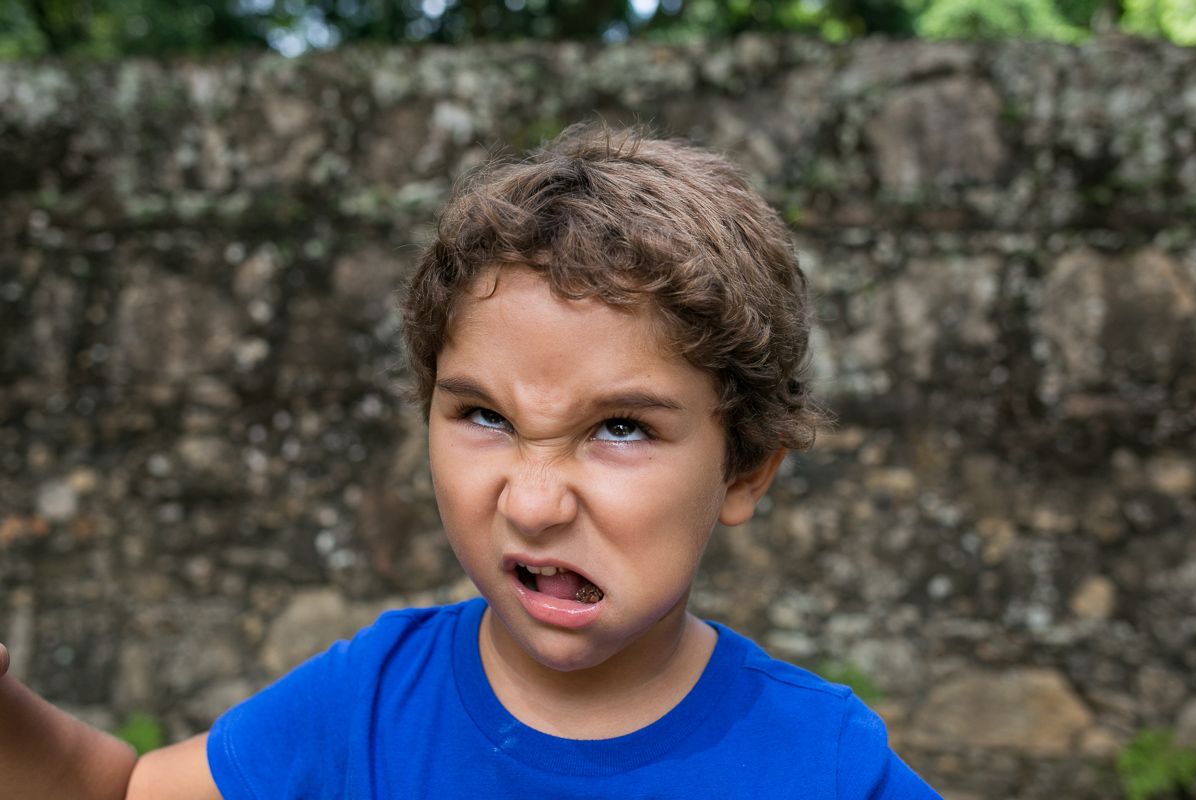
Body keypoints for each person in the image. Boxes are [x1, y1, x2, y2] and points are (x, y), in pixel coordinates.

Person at [0, 125, 941, 798]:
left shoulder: (824, 763)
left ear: (744, 469)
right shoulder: (367, 704)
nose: (532, 504)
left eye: (619, 428)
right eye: (485, 415)